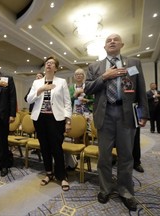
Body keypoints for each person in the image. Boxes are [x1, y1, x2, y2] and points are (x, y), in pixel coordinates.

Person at [85, 33, 149, 211]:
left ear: (122, 44)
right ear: (104, 47)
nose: (111, 41)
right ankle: (105, 189)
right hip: (104, 116)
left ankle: (126, 192)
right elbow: (88, 88)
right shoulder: (95, 67)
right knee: (104, 157)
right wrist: (105, 76)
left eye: (115, 39)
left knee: (126, 156)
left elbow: (141, 89)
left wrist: (143, 113)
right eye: (108, 40)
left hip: (126, 115)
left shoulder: (134, 63)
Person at [27, 56, 72, 191]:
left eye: (52, 63)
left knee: (56, 148)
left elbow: (67, 102)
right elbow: (29, 99)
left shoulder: (62, 82)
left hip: (55, 118)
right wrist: (41, 89)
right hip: (39, 118)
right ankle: (48, 173)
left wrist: (68, 120)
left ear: (56, 68)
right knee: (44, 147)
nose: (49, 65)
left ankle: (62, 176)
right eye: (47, 63)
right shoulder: (37, 82)